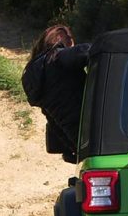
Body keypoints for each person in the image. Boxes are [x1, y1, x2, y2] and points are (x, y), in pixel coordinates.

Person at [22, 25, 90, 158]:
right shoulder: (57, 58)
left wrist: (75, 149)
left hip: (81, 142)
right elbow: (87, 51)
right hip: (100, 131)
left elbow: (54, 124)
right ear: (65, 39)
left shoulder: (34, 74)